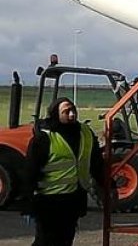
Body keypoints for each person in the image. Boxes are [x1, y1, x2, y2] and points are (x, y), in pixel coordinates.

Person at [20, 97, 104, 246]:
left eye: (73, 110)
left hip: (73, 200)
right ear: (56, 114)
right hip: (49, 202)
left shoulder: (85, 133)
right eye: (66, 112)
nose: (72, 115)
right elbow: (29, 172)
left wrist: (107, 184)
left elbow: (96, 162)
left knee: (66, 240)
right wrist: (27, 203)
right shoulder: (44, 138)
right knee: (46, 241)